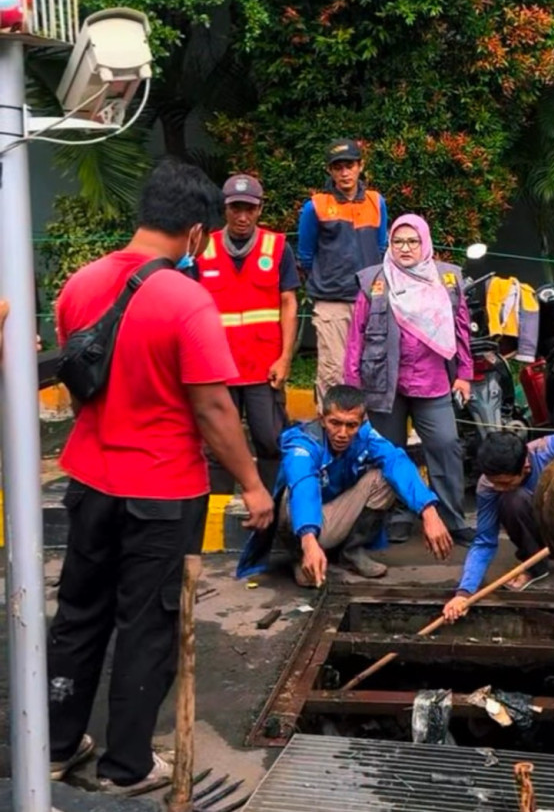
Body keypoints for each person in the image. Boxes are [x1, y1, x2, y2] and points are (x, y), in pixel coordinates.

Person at [47, 159, 275, 796]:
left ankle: (56, 747)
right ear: (198, 231)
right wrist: (253, 485)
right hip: (162, 491)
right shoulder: (187, 300)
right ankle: (128, 766)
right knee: (147, 625)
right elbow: (212, 408)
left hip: (89, 481)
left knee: (79, 613)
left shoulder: (80, 284)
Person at [238, 384, 453, 586]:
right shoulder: (302, 444)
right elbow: (304, 487)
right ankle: (302, 555)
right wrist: (308, 539)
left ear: (361, 423)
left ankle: (351, 552)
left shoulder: (366, 435)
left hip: (336, 517)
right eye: (335, 423)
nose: (342, 433)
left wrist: (428, 511)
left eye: (351, 425)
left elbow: (397, 461)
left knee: (385, 477)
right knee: (290, 493)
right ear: (322, 419)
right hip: (302, 523)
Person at [344, 213, 475, 545]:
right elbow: (356, 336)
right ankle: (401, 513)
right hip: (383, 383)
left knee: (445, 444)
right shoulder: (374, 279)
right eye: (398, 241)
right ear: (390, 243)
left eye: (412, 241)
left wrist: (464, 374)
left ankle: (451, 517)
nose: (405, 248)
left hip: (432, 382)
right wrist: (352, 384)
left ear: (425, 242)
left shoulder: (446, 279)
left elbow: (461, 332)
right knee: (391, 452)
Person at [442, 426, 554, 622]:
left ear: (525, 468)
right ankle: (536, 565)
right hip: (542, 528)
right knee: (512, 500)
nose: (496, 488)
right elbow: (484, 542)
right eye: (493, 482)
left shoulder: (550, 449)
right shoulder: (488, 486)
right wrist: (464, 592)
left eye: (504, 483)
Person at [197, 173, 300, 493]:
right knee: (217, 445)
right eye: (235, 208)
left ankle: (273, 511)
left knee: (270, 440)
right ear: (225, 209)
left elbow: (288, 303)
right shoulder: (204, 248)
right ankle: (216, 520)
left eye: (249, 209)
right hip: (217, 369)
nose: (242, 216)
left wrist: (285, 358)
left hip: (263, 367)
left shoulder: (278, 247)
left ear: (259, 210)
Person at [297, 139, 387, 405]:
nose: (344, 173)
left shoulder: (376, 202)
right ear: (330, 171)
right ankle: (330, 432)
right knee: (333, 372)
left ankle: (364, 434)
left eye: (350, 165)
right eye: (338, 167)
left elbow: (381, 247)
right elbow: (305, 254)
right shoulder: (315, 205)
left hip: (369, 301)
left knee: (369, 369)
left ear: (361, 166)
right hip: (332, 302)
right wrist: (327, 281)